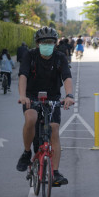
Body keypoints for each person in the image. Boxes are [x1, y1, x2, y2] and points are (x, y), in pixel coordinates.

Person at [17, 26, 74, 186]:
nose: (47, 45)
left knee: (54, 129)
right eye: (43, 42)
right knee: (31, 118)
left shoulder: (60, 57)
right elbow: (23, 76)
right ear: (37, 43)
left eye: (50, 42)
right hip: (32, 96)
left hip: (53, 97)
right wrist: (23, 96)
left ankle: (55, 172)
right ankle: (27, 153)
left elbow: (67, 77)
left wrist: (69, 95)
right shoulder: (30, 56)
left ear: (55, 43)